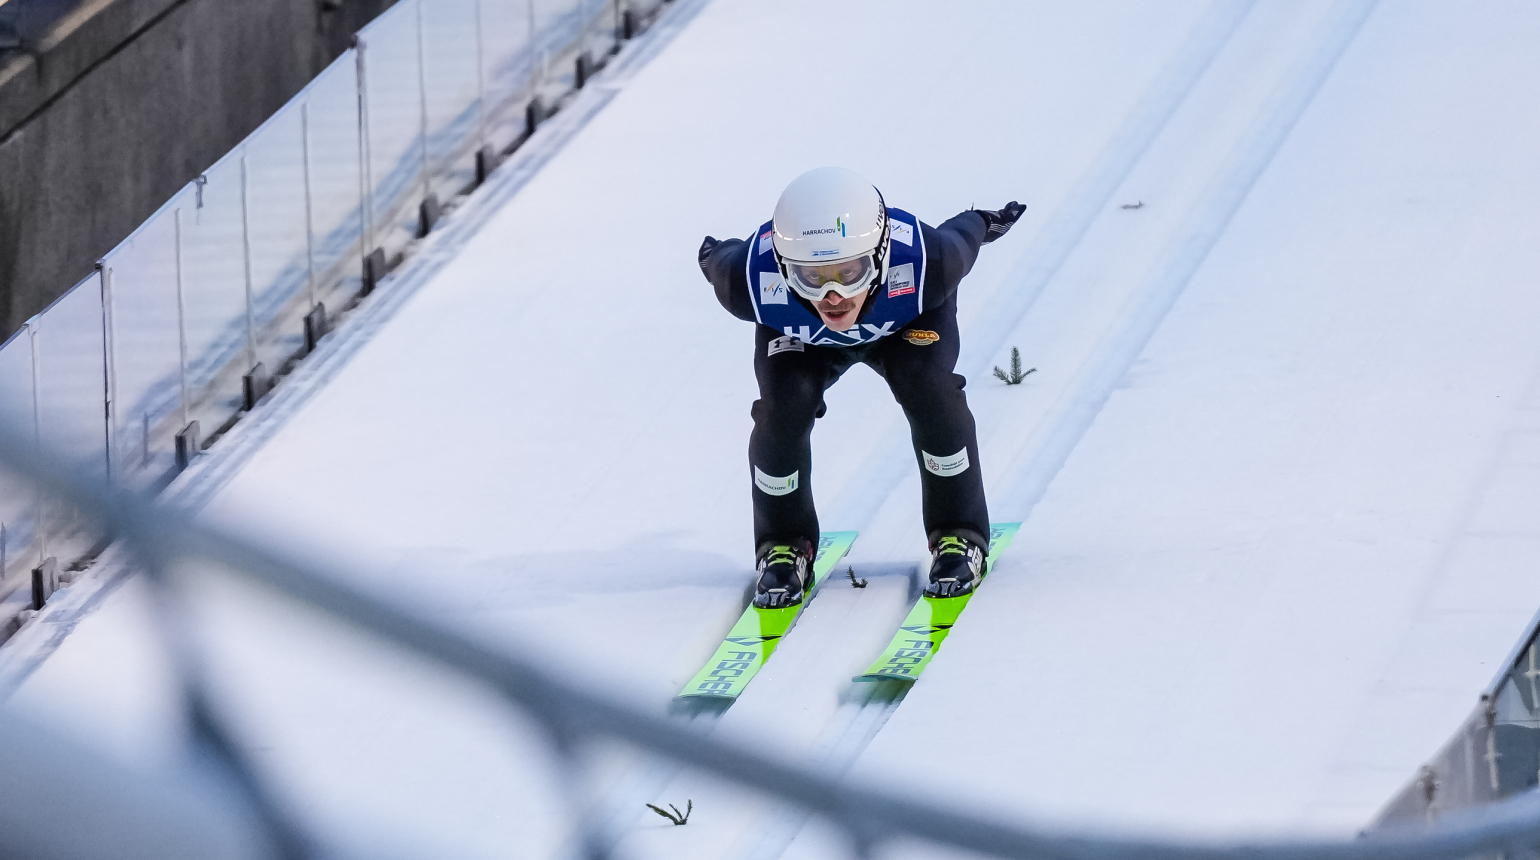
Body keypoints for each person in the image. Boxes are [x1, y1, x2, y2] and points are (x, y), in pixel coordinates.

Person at [698, 166, 1025, 608]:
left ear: (881, 252)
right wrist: (714, 253)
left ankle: (958, 533)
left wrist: (982, 222)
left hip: (907, 323)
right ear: (780, 268)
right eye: (812, 276)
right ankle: (782, 543)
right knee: (783, 407)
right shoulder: (745, 280)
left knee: (929, 388)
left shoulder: (930, 261)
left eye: (849, 272)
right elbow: (724, 259)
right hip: (803, 338)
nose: (834, 295)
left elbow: (959, 237)